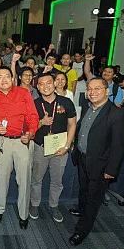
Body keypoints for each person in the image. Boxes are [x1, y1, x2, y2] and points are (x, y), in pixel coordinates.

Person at [68, 77, 124, 246]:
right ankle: (81, 209)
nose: (92, 92)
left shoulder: (117, 113)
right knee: (84, 190)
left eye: (97, 89)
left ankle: (82, 231)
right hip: (82, 158)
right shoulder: (90, 109)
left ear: (107, 91)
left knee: (93, 199)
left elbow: (119, 145)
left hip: (101, 166)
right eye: (90, 89)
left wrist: (111, 170)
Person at [0, 67, 39, 229]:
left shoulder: (23, 93)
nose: (4, 80)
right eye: (0, 77)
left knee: (24, 179)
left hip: (23, 141)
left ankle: (23, 214)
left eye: (7, 76)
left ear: (13, 78)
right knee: (1, 178)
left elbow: (33, 116)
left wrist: (30, 133)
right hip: (3, 142)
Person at [29, 73, 77, 222]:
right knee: (36, 179)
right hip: (40, 147)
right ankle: (34, 204)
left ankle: (54, 205)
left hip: (60, 148)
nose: (45, 86)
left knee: (57, 180)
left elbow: (72, 124)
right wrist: (41, 123)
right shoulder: (34, 104)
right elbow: (29, 128)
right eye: (41, 84)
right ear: (37, 87)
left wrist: (67, 146)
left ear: (55, 83)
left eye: (49, 82)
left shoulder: (66, 102)